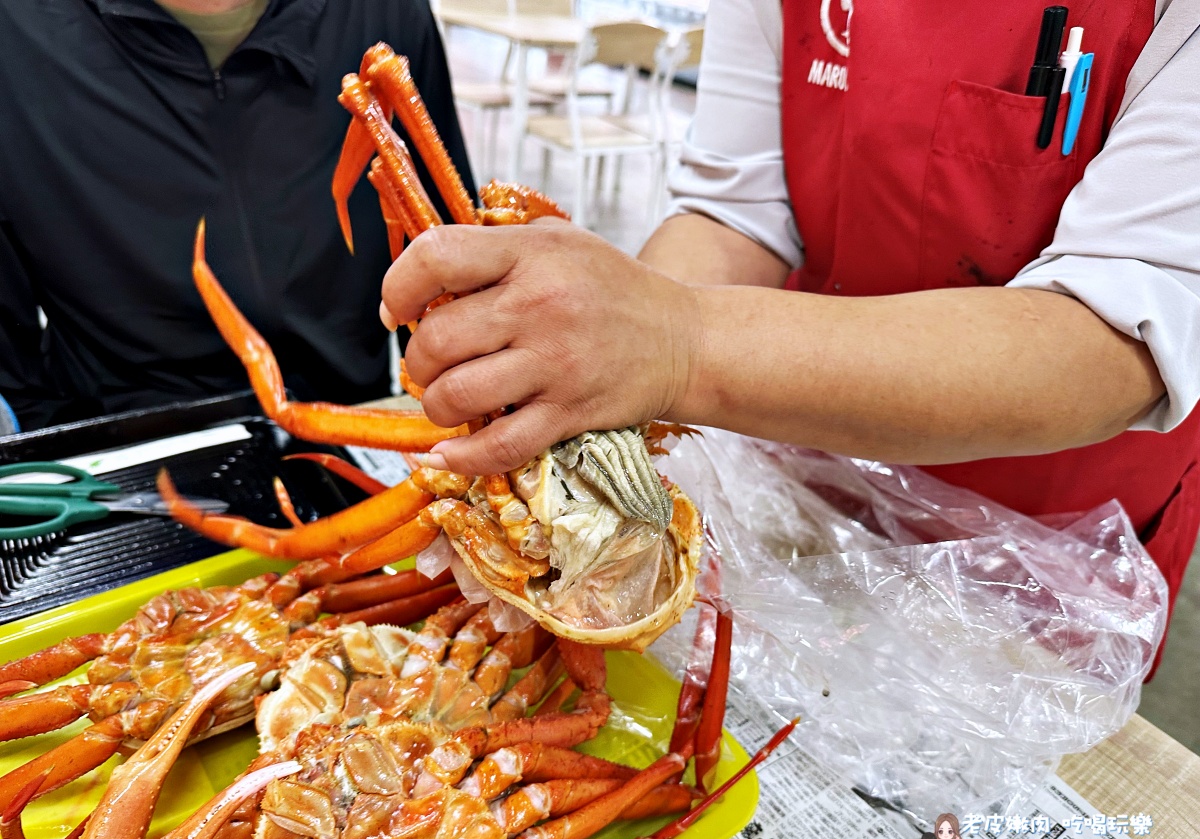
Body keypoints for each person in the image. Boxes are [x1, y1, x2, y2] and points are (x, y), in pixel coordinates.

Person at [376, 1, 1200, 638]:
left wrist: (675, 341)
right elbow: (738, 208)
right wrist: (586, 411)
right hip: (799, 473)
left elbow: (1118, 332)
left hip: (1053, 542)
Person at [0, 0, 474, 432]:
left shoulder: (386, 17)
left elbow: (455, 267)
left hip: (358, 427)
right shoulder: (15, 38)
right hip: (115, 448)